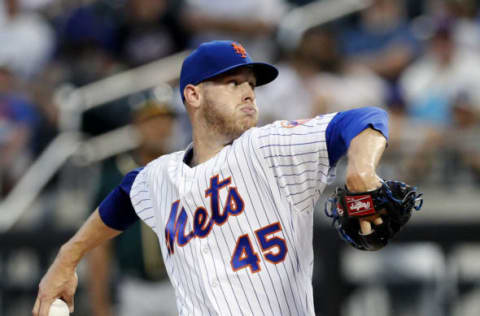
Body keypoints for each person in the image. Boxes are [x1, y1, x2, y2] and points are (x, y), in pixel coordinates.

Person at [33, 40, 389, 316]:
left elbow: (363, 119)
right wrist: (67, 259)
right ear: (193, 94)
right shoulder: (160, 176)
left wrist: (362, 169)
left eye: (251, 84)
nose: (249, 92)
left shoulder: (269, 147)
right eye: (233, 83)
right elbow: (123, 198)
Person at [86, 99, 178, 316]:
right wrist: (100, 304)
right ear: (136, 126)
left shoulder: (185, 167)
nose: (159, 128)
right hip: (134, 287)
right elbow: (99, 245)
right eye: (151, 121)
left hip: (179, 284)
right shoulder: (116, 174)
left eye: (165, 120)